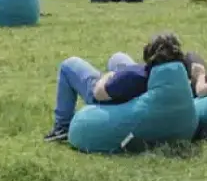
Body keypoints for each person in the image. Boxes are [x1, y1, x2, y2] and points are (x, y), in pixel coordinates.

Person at [44, 33, 188, 142]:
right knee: (118, 57)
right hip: (136, 90)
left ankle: (62, 126)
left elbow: (98, 93)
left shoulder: (133, 77)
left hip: (111, 100)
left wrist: (108, 76)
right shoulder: (177, 78)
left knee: (69, 65)